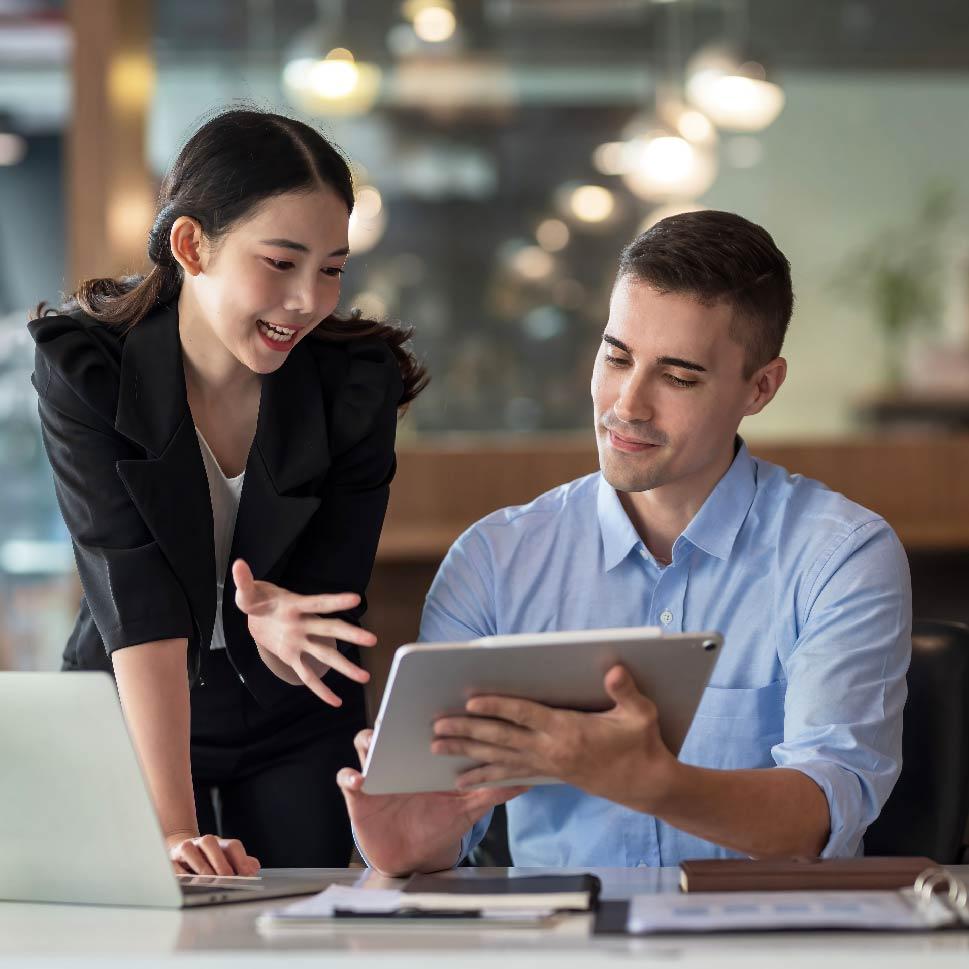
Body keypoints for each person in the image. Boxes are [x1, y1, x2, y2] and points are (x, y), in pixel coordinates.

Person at [339, 210, 911, 874]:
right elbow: (432, 836)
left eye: (677, 376)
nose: (627, 405)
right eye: (615, 356)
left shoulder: (840, 554)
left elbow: (821, 813)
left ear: (760, 387)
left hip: (760, 943)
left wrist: (649, 780)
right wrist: (407, 843)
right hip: (560, 945)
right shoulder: (493, 560)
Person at [29, 108, 426, 875]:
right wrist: (174, 831)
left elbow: (326, 611)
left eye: (332, 268)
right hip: (128, 704)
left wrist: (282, 635)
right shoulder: (88, 370)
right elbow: (132, 596)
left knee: (300, 928)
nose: (309, 299)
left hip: (289, 717)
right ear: (191, 244)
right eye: (280, 262)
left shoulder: (354, 384)